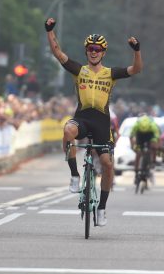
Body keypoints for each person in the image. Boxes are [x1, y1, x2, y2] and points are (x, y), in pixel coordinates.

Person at [45, 17, 142, 227]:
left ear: (103, 52)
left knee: (107, 165)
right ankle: (74, 176)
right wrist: (49, 31)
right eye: (90, 48)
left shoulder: (110, 73)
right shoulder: (79, 71)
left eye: (98, 48)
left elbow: (136, 70)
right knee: (68, 130)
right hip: (82, 118)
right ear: (86, 51)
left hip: (101, 124)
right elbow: (58, 54)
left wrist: (137, 50)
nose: (94, 51)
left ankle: (102, 208)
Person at [129, 114, 160, 184]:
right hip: (144, 135)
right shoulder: (148, 124)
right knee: (143, 151)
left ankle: (137, 171)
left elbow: (131, 135)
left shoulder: (139, 124)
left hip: (143, 136)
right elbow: (157, 136)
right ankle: (151, 163)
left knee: (139, 153)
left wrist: (133, 146)